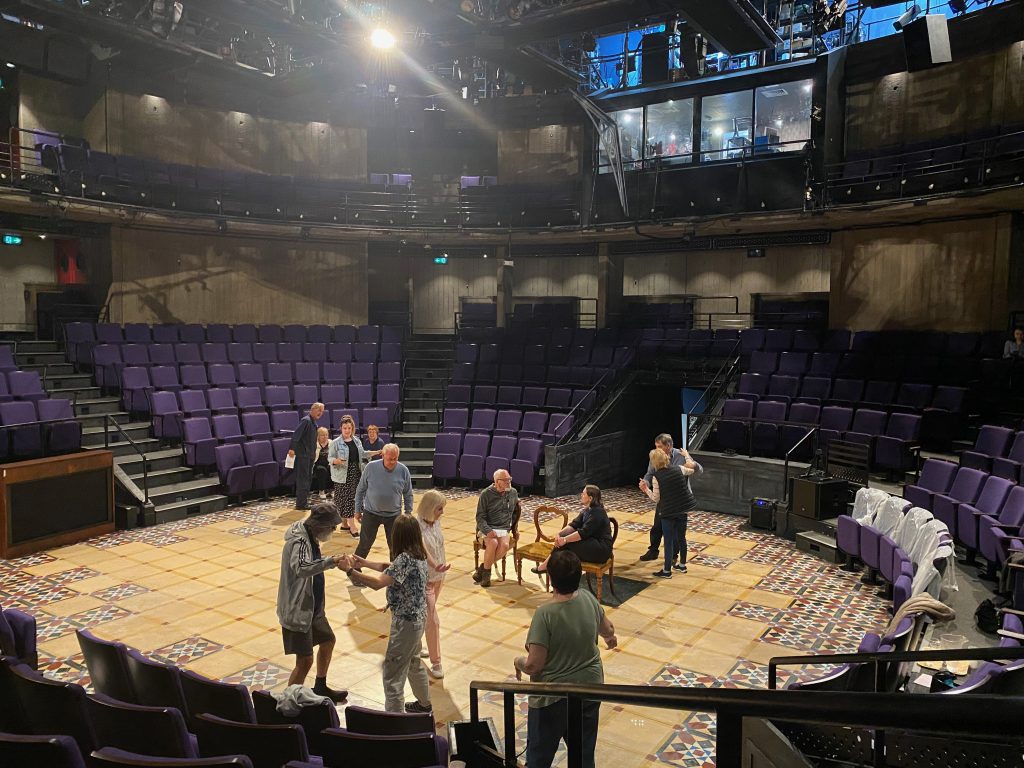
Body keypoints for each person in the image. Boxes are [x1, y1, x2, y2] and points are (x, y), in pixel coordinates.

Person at [514, 549, 617, 768]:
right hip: (590, 688)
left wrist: (517, 662)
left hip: (553, 696)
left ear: (551, 578)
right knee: (583, 754)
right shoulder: (588, 598)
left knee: (539, 758)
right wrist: (610, 639)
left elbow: (534, 665)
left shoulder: (545, 614)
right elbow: (607, 628)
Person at [338, 516, 433, 714]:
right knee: (414, 662)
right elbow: (387, 567)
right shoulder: (419, 555)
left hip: (406, 623)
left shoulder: (405, 559)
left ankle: (394, 721)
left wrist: (349, 571)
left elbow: (376, 583)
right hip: (418, 619)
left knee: (392, 675)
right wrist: (364, 562)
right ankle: (424, 705)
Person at [276, 502, 348, 702]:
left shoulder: (311, 536)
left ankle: (320, 686)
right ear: (318, 525)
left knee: (327, 640)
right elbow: (301, 568)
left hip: (313, 607)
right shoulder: (298, 541)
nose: (334, 530)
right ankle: (287, 702)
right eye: (331, 526)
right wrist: (331, 562)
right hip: (297, 609)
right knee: (305, 660)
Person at [639, 448, 701, 578]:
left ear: (654, 463)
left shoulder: (657, 477)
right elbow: (692, 469)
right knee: (681, 538)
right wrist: (687, 456)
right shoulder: (679, 468)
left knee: (668, 541)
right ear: (667, 458)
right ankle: (682, 565)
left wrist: (645, 489)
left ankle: (667, 571)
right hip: (682, 509)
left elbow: (656, 499)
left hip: (667, 512)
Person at [531, 484, 612, 575]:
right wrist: (559, 534)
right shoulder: (587, 510)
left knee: (566, 545)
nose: (581, 495)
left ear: (590, 498)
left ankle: (548, 566)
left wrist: (565, 540)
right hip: (591, 543)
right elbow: (573, 525)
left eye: (583, 494)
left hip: (601, 549)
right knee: (564, 546)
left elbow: (583, 533)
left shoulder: (598, 513)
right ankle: (556, 570)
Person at [353, 443, 413, 559]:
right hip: (371, 513)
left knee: (395, 547)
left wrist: (408, 512)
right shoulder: (370, 467)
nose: (393, 462)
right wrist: (357, 510)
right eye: (390, 459)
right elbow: (360, 490)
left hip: (394, 516)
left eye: (396, 459)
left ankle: (395, 572)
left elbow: (408, 493)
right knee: (364, 545)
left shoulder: (403, 470)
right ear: (383, 456)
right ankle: (355, 569)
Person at [638, 434, 692, 562]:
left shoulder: (679, 458)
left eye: (660, 447)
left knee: (676, 532)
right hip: (665, 501)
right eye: (656, 447)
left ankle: (673, 558)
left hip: (678, 501)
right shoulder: (660, 463)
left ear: (668, 446)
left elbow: (695, 469)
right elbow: (649, 474)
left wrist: (646, 490)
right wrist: (646, 482)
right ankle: (653, 551)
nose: (657, 450)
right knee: (657, 526)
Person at [416, 489, 451, 679]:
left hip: (439, 577)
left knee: (425, 616)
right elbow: (422, 549)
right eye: (439, 509)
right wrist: (435, 564)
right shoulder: (416, 525)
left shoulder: (436, 522)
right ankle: (436, 662)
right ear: (429, 508)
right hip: (425, 579)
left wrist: (440, 568)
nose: (442, 513)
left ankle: (417, 645)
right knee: (433, 620)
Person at [474, 469, 519, 588]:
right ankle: (487, 576)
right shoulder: (486, 494)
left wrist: (515, 528)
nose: (509, 482)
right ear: (497, 482)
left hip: (503, 528)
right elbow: (480, 517)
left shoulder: (513, 492)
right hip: (487, 528)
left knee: (504, 545)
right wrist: (488, 530)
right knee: (493, 543)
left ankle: (483, 569)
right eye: (506, 480)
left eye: (510, 479)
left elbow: (515, 512)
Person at [329, 415, 365, 538]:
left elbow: (362, 454)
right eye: (345, 428)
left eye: (349, 428)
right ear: (341, 428)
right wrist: (336, 461)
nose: (347, 430)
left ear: (352, 428)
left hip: (356, 472)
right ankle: (352, 525)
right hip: (342, 474)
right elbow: (330, 458)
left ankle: (345, 524)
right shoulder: (335, 443)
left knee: (353, 497)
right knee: (347, 499)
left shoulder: (357, 441)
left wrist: (376, 452)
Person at [288, 403, 325, 510]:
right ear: (312, 409)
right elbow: (296, 435)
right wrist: (292, 448)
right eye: (319, 410)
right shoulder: (306, 421)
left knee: (307, 479)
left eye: (322, 411)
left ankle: (303, 502)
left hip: (309, 456)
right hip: (303, 456)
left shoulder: (313, 423)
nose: (320, 413)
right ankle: (301, 504)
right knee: (303, 479)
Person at [310, 427, 332, 499]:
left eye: (326, 435)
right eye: (322, 435)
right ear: (318, 436)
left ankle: (332, 490)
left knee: (333, 468)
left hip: (329, 463)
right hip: (318, 464)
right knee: (322, 470)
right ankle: (321, 491)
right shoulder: (314, 444)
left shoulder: (331, 442)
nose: (325, 437)